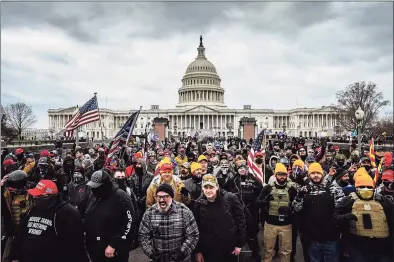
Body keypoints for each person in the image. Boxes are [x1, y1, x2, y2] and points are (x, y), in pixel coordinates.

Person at [9, 180, 88, 262]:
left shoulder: (68, 213)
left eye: (38, 196)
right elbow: (21, 234)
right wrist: (15, 256)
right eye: (34, 196)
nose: (35, 199)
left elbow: (75, 246)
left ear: (49, 197)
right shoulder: (32, 210)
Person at [334, 167, 393, 262]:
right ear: (356, 188)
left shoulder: (383, 201)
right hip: (357, 246)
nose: (365, 189)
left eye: (369, 187)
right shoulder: (348, 200)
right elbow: (335, 217)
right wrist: (345, 217)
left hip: (381, 247)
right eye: (362, 187)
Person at [292, 162, 344, 262]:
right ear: (309, 175)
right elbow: (296, 208)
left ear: (322, 174)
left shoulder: (334, 189)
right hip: (313, 238)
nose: (316, 175)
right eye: (313, 173)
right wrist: (300, 196)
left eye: (318, 173)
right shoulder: (304, 190)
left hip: (331, 238)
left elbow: (341, 209)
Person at [83, 170, 136, 262]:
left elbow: (129, 222)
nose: (94, 189)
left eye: (97, 187)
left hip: (113, 249)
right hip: (95, 246)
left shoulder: (120, 197)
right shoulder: (94, 195)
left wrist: (114, 244)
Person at [139, 183, 199, 262]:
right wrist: (151, 253)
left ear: (171, 196)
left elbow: (193, 235)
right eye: (159, 197)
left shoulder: (184, 212)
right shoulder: (149, 213)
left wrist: (182, 252)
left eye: (165, 196)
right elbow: (143, 236)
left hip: (181, 260)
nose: (161, 200)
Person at [193, 174, 246, 262]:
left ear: (217, 187)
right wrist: (198, 251)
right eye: (206, 187)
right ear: (202, 188)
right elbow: (196, 229)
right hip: (208, 250)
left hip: (229, 248)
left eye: (211, 187)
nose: (208, 190)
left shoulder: (230, 198)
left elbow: (241, 222)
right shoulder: (199, 203)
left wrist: (239, 244)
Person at [258, 163, 297, 262]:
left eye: (284, 174)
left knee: (286, 251)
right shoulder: (268, 188)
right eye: (279, 174)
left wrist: (290, 208)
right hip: (270, 224)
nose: (282, 176)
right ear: (275, 175)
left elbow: (298, 205)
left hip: (286, 224)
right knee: (268, 250)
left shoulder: (292, 189)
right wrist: (265, 201)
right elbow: (257, 202)